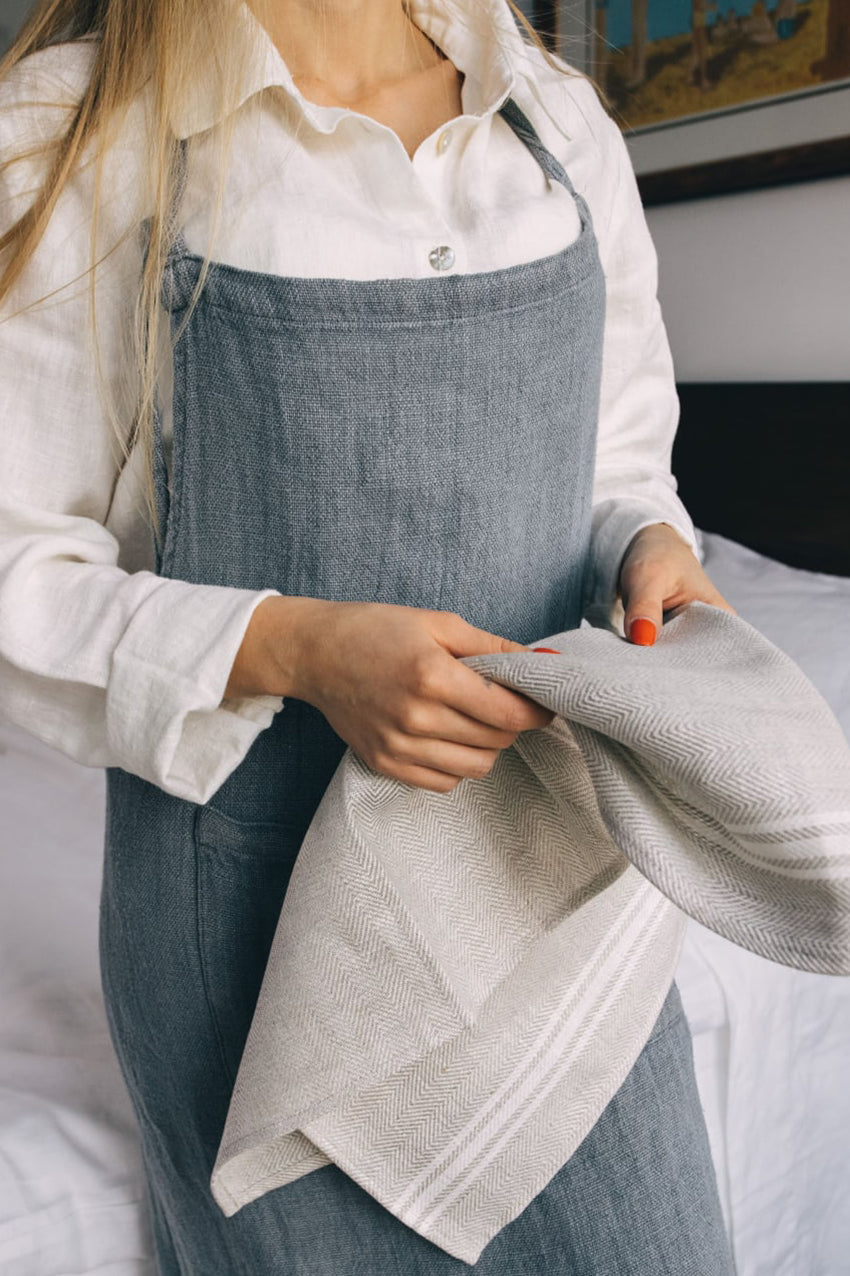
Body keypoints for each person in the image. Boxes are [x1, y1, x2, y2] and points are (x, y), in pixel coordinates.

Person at [0, 0, 738, 1269]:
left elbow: (617, 462)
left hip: (549, 889)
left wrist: (650, 551)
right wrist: (299, 649)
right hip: (254, 926)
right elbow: (19, 565)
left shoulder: (556, 118)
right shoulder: (69, 128)